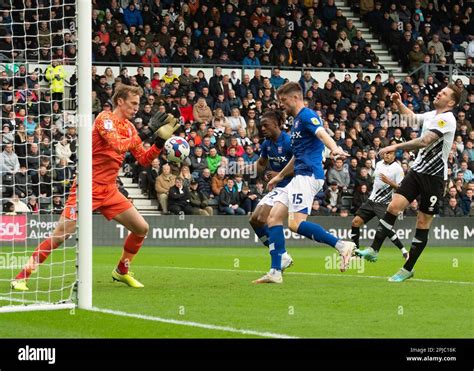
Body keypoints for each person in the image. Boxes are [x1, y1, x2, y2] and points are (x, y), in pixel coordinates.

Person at [11, 85, 180, 291]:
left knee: (141, 228)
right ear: (120, 101)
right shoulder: (104, 118)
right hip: (87, 187)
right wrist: (149, 131)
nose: (137, 108)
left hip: (109, 189)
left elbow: (143, 160)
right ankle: (22, 276)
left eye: (138, 104)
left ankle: (121, 270)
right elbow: (117, 145)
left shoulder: (129, 128)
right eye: (133, 103)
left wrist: (160, 142)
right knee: (60, 235)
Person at [356, 84, 460, 282]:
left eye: (444, 93)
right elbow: (412, 118)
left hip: (434, 178)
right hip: (416, 172)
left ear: (451, 102)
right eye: (441, 91)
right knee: (393, 206)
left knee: (422, 222)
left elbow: (424, 141)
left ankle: (408, 268)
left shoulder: (447, 119)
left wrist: (395, 145)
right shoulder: (433, 114)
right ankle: (374, 249)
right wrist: (399, 103)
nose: (439, 93)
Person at [254, 82, 355, 284]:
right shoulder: (296, 121)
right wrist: (280, 176)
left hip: (309, 176)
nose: (281, 105)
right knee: (273, 218)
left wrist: (334, 148)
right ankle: (275, 271)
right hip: (298, 176)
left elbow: (321, 133)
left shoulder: (307, 115)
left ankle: (342, 246)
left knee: (295, 224)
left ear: (295, 98)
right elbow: (297, 156)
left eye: (283, 100)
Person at [248, 110, 294, 270]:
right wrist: (247, 170)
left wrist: (279, 174)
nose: (263, 129)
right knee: (254, 220)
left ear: (277, 124)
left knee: (263, 217)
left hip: (291, 185)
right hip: (278, 187)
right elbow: (261, 163)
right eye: (261, 127)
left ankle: (280, 255)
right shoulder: (267, 144)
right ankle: (283, 255)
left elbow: (302, 166)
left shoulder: (289, 141)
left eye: (266, 125)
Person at [351, 151, 408, 260]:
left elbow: (401, 188)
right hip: (371, 201)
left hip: (384, 203)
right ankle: (356, 251)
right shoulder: (378, 164)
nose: (386, 155)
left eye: (389, 153)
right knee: (355, 222)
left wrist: (390, 182)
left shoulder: (398, 169)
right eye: (385, 153)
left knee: (386, 228)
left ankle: (404, 251)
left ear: (394, 155)